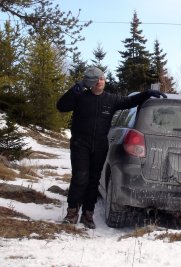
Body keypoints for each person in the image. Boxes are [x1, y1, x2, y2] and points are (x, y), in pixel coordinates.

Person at [56, 66, 167, 229]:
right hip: (80, 143)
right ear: (90, 82)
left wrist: (146, 94)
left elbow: (129, 101)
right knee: (80, 177)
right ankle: (72, 212)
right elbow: (61, 106)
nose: (100, 82)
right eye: (96, 79)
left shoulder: (111, 99)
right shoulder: (80, 97)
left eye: (102, 78)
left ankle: (88, 214)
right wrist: (76, 88)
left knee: (93, 180)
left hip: (100, 145)